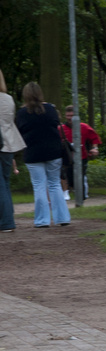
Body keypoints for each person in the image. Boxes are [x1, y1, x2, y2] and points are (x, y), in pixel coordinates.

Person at [16, 82, 71, 228]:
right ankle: (62, 217)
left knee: (39, 186)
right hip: (53, 152)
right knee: (55, 184)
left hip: (33, 154)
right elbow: (56, 126)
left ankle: (42, 220)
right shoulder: (51, 109)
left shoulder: (22, 113)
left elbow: (19, 132)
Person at [0, 70, 25, 233]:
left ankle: (7, 221)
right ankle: (8, 217)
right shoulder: (8, 99)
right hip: (8, 144)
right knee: (5, 183)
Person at [59, 105, 101, 200]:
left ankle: (82, 197)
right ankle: (68, 193)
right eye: (68, 115)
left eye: (72, 115)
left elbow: (94, 138)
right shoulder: (60, 129)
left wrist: (95, 148)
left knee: (81, 176)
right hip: (66, 158)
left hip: (82, 157)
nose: (70, 118)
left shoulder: (84, 127)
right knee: (66, 176)